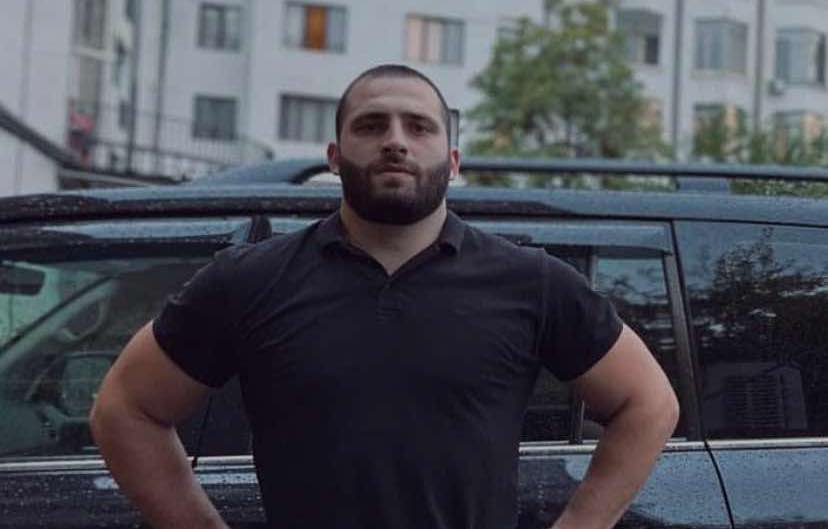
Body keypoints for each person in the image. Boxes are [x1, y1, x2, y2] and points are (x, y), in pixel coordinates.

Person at [90, 64, 679, 529]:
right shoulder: (249, 281)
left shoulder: (533, 282)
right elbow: (125, 409)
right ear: (334, 156)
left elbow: (649, 403)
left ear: (452, 160)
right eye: (371, 126)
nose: (396, 141)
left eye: (419, 127)